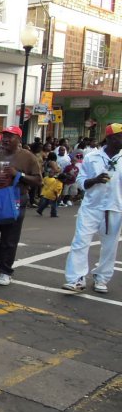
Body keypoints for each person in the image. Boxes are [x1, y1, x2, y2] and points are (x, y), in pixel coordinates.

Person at [62, 123, 122, 294]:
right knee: (80, 242)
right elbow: (81, 181)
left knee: (110, 247)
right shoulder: (91, 157)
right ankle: (76, 279)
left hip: (114, 208)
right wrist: (95, 180)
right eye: (120, 136)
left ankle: (101, 278)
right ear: (110, 138)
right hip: (91, 207)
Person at [0, 126, 42, 287]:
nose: (6, 139)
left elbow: (38, 180)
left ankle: (5, 271)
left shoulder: (28, 157)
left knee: (9, 238)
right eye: (5, 136)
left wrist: (18, 175)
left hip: (15, 200)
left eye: (10, 136)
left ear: (19, 139)